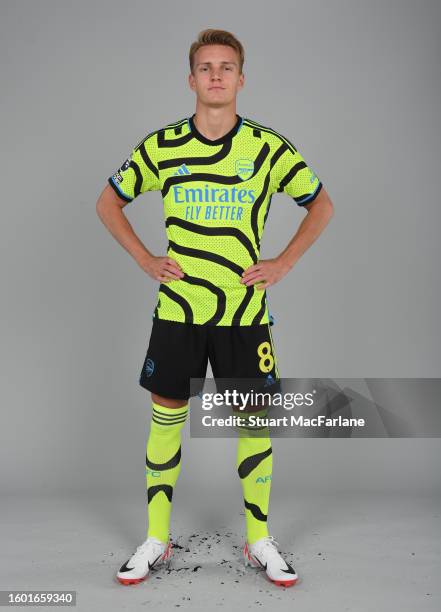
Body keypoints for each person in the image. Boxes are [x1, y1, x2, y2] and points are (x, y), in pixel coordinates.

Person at [96, 28, 334, 588]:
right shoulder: (162, 146)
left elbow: (320, 203)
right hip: (179, 308)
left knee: (253, 420)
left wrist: (283, 262)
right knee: (167, 415)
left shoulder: (268, 147)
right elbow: (109, 201)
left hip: (244, 313)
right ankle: (157, 538)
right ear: (191, 79)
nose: (217, 76)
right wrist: (143, 257)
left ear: (241, 79)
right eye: (206, 68)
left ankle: (259, 541)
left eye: (227, 67)